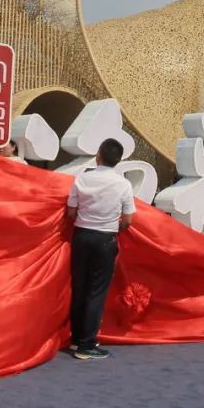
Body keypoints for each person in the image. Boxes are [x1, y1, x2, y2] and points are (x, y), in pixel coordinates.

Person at [65, 138, 135, 360]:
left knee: (79, 287)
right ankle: (87, 344)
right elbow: (128, 220)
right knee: (96, 292)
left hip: (81, 236)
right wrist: (113, 228)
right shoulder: (123, 184)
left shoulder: (82, 178)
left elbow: (70, 212)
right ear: (118, 160)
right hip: (105, 239)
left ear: (98, 156)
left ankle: (76, 339)